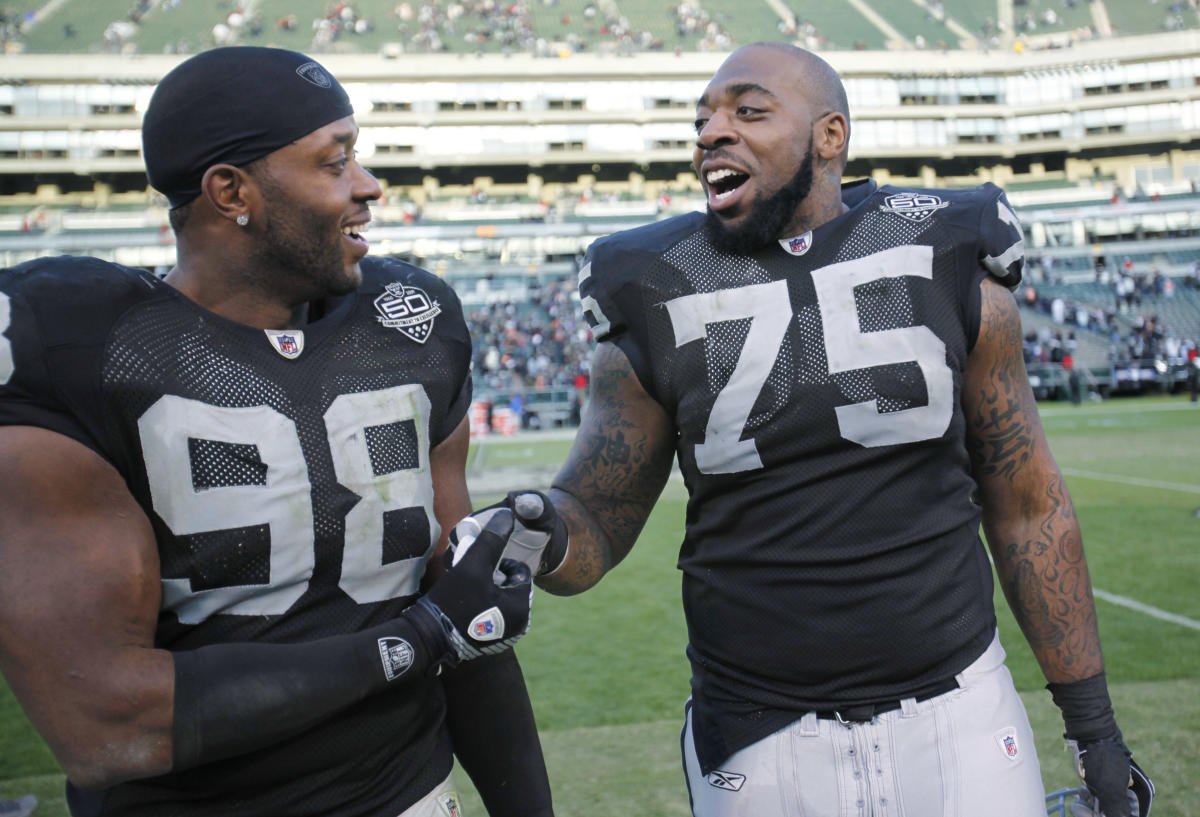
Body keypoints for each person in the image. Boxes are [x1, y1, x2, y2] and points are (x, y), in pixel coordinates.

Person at [462, 43, 1154, 816]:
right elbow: (596, 512)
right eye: (703, 120)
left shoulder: (946, 248)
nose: (711, 133)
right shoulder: (653, 281)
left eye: (747, 111)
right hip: (757, 733)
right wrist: (537, 536)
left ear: (831, 136)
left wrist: (1092, 728)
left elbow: (1028, 506)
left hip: (959, 708)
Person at [0, 47, 552, 817]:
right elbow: (104, 726)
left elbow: (465, 615)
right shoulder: (81, 349)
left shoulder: (408, 324)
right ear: (234, 192)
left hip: (411, 795)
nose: (368, 186)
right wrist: (415, 640)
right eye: (335, 162)